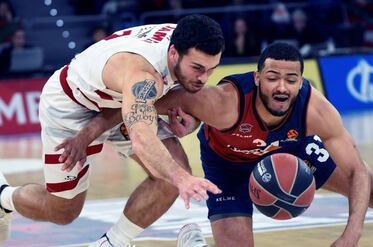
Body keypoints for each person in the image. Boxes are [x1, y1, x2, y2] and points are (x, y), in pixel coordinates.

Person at [51, 42, 373, 246]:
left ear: (302, 81)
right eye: (272, 78)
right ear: (257, 78)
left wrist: (352, 233)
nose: (282, 87)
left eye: (291, 79)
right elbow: (137, 106)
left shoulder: (314, 108)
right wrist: (85, 135)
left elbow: (357, 171)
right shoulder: (222, 102)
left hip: (289, 152)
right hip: (229, 164)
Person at [0, 14, 225, 246]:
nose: (204, 78)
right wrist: (183, 179)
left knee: (169, 172)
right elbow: (142, 137)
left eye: (211, 69)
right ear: (173, 53)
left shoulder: (187, 39)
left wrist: (190, 123)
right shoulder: (144, 75)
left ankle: (112, 243)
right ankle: (2, 196)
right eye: (198, 68)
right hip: (72, 104)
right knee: (62, 211)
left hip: (117, 103)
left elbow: (138, 104)